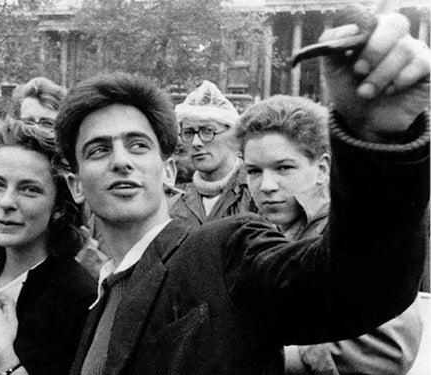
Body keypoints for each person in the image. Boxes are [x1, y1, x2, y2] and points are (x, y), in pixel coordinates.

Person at [54, 11, 429, 375]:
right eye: (99, 150)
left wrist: (378, 137)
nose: (120, 161)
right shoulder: (98, 300)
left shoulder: (224, 249)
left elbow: (358, 284)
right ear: (75, 185)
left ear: (168, 169)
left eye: (137, 145)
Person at [237, 95, 423, 375]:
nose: (266, 186)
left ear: (322, 169)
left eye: (283, 167)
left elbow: (390, 347)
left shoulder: (354, 233)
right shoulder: (265, 233)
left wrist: (270, 356)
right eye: (253, 171)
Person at [0, 123, 96, 375]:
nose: (6, 202)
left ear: (59, 206)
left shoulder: (78, 299)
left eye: (29, 189)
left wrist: (4, 359)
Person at [170, 80, 257, 227]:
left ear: (232, 135)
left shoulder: (257, 192)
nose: (196, 142)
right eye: (188, 132)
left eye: (207, 131)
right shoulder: (175, 201)